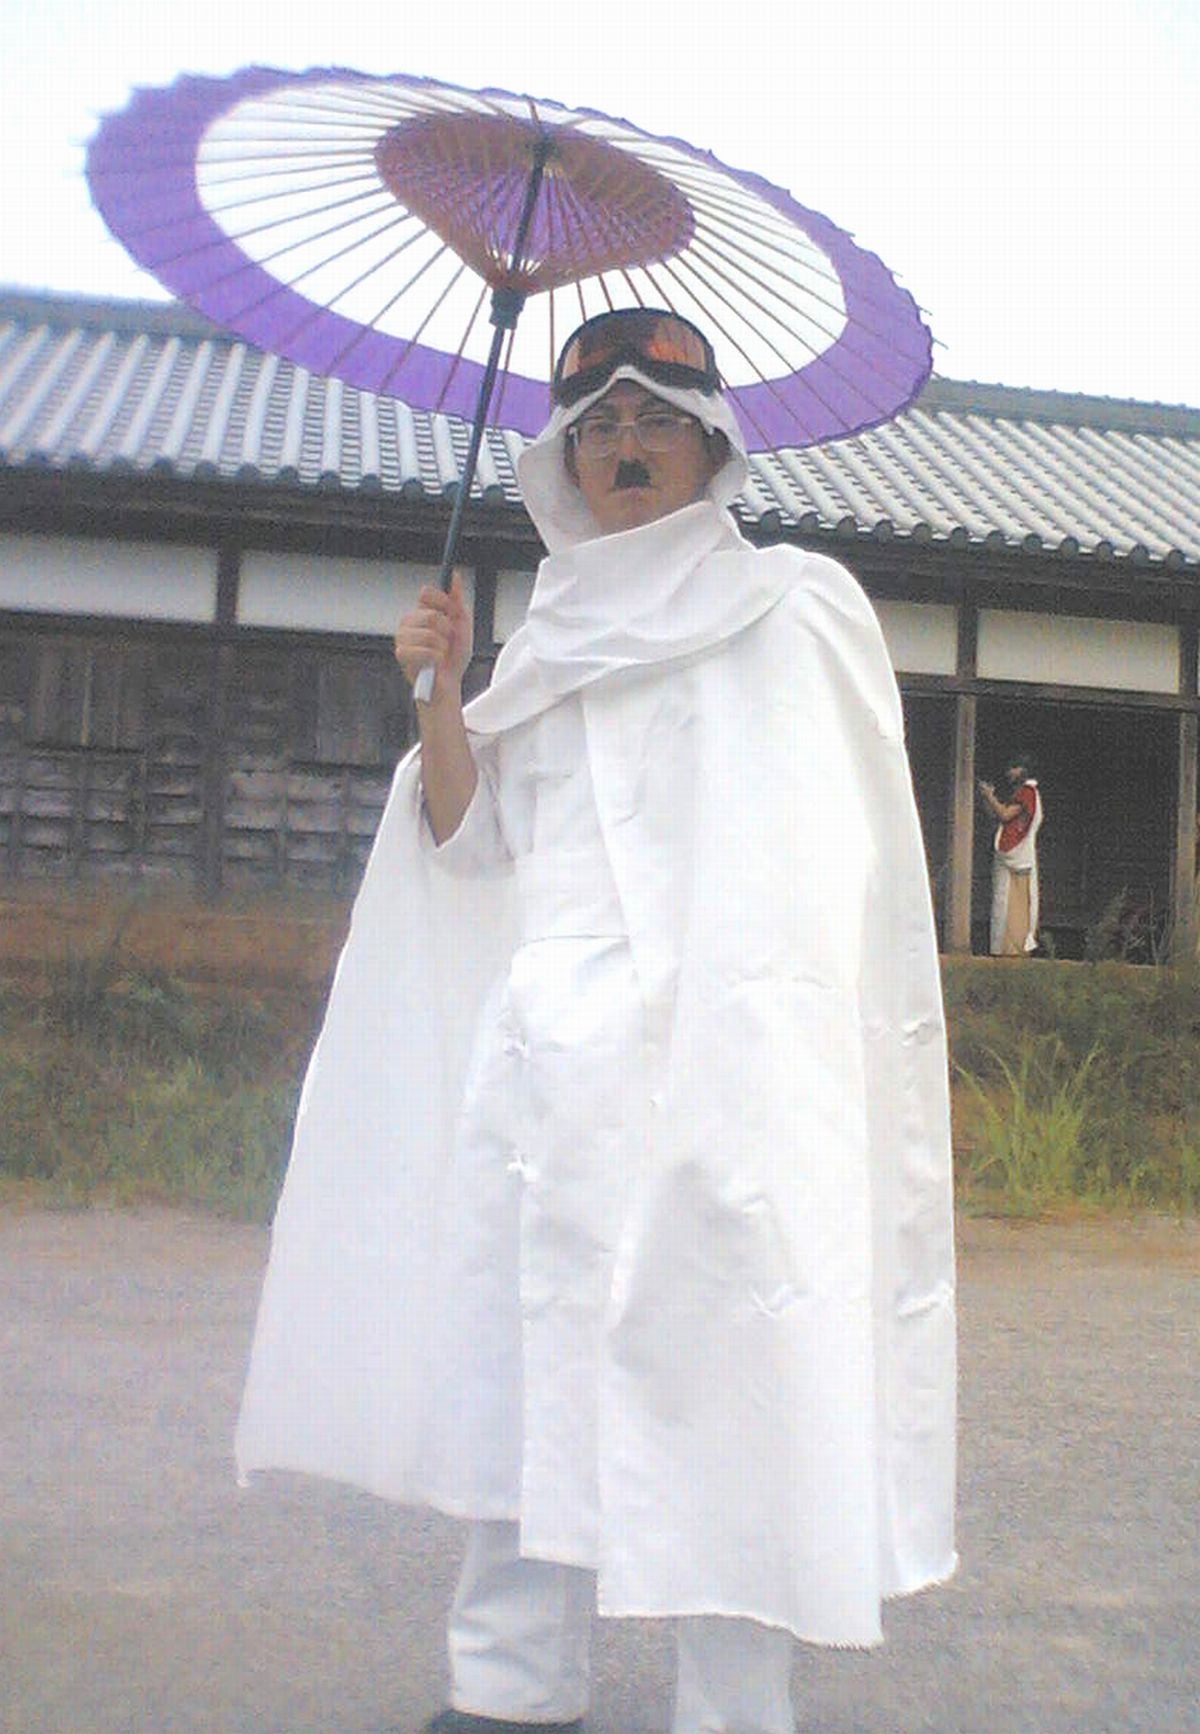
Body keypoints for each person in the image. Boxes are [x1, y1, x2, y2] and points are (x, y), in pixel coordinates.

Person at [236, 309, 957, 1734]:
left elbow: (842, 862)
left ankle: (734, 1713)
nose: (629, 447)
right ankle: (509, 1692)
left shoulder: (795, 606)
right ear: (561, 462)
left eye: (657, 421)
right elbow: (471, 846)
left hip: (731, 1065)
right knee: (528, 1380)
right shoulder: (550, 631)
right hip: (552, 1079)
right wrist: (442, 694)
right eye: (600, 427)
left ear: (712, 445)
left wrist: (775, 1042)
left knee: (735, 1384)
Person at [979, 755, 1043, 956]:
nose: (1009, 773)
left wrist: (990, 796)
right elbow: (1000, 816)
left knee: (1012, 903)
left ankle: (1013, 948)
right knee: (1007, 901)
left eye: (1014, 768)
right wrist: (988, 799)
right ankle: (1007, 948)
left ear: (1024, 770)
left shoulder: (1027, 793)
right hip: (1014, 854)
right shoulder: (1022, 793)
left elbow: (1005, 814)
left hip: (1017, 854)